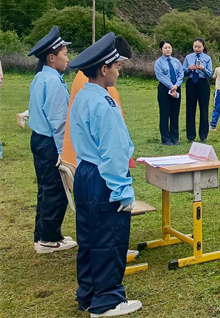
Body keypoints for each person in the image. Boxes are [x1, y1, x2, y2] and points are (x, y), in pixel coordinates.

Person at [68, 32, 142, 317]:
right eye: (117, 67)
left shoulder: (83, 95)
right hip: (104, 177)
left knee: (88, 239)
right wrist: (122, 190)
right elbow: (113, 152)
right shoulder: (105, 103)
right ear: (104, 69)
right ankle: (108, 300)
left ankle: (88, 294)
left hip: (85, 172)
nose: (119, 72)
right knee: (110, 238)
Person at [27, 26, 76, 254]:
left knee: (45, 188)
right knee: (55, 190)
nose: (68, 58)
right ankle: (48, 239)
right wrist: (62, 153)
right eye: (65, 54)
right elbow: (59, 122)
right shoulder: (54, 82)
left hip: (38, 139)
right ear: (51, 57)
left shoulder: (40, 77)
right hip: (50, 143)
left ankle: (43, 235)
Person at [183, 38, 213, 143]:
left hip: (203, 83)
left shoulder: (207, 58)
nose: (197, 49)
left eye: (199, 47)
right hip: (191, 83)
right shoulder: (188, 57)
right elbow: (183, 73)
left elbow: (210, 74)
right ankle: (190, 136)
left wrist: (203, 69)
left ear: (203, 47)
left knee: (204, 109)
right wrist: (189, 69)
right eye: (195, 46)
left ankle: (203, 135)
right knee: (190, 110)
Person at [154, 41, 183, 145]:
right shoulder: (158, 62)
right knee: (165, 114)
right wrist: (171, 86)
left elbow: (181, 74)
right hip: (164, 88)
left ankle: (175, 138)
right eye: (165, 48)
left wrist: (176, 86)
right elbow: (161, 76)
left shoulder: (176, 61)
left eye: (169, 47)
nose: (168, 49)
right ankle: (166, 139)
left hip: (176, 88)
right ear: (161, 50)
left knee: (175, 114)